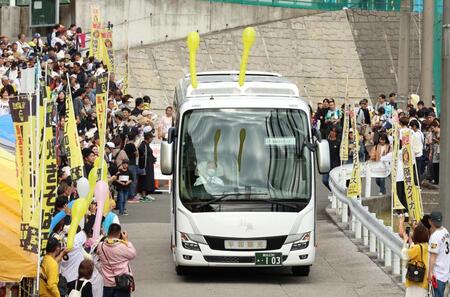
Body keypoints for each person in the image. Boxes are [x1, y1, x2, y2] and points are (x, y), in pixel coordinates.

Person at [97, 224, 136, 297]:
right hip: (122, 282)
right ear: (119, 234)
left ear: (108, 233)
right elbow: (133, 254)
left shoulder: (101, 246)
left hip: (107, 282)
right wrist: (126, 241)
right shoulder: (122, 246)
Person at [400, 220, 430, 297]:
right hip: (424, 280)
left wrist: (405, 241)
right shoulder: (426, 245)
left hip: (415, 281)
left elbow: (405, 255)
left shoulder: (417, 248)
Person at [428, 211, 450, 297]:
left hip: (437, 275)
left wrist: (430, 273)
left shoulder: (435, 236)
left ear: (430, 221)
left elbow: (433, 256)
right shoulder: (445, 231)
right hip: (445, 272)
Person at [138, 131, 157, 201]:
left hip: (149, 165)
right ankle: (143, 194)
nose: (152, 140)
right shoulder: (143, 145)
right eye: (151, 138)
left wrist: (153, 158)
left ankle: (146, 194)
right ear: (148, 138)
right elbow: (142, 155)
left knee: (148, 180)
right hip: (145, 166)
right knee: (145, 180)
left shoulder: (147, 145)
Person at [322, 126, 341, 191]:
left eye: (334, 132)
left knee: (335, 181)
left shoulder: (338, 142)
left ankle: (336, 192)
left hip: (335, 164)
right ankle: (333, 191)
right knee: (325, 180)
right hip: (326, 164)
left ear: (336, 133)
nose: (332, 133)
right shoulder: (325, 142)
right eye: (331, 131)